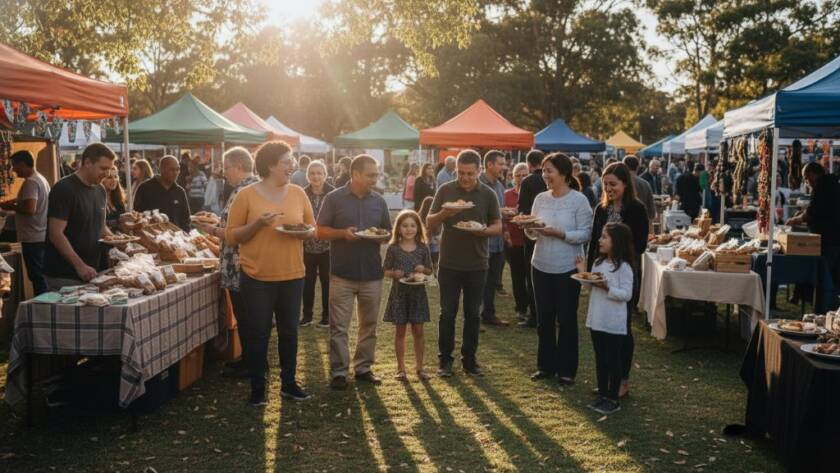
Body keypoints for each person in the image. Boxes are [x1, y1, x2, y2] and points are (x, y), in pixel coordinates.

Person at [225, 141, 316, 405]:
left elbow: (313, 228)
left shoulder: (299, 193)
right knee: (258, 334)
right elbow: (231, 237)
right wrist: (258, 224)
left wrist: (307, 232)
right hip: (256, 278)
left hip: (293, 275)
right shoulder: (246, 195)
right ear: (270, 165)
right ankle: (257, 389)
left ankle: (289, 384)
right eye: (287, 162)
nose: (292, 166)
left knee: (290, 332)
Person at [317, 154, 391, 390]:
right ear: (355, 174)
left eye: (376, 174)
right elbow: (320, 231)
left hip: (372, 273)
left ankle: (363, 368)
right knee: (339, 326)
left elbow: (387, 232)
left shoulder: (379, 201)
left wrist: (382, 235)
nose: (375, 178)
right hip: (342, 273)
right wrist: (342, 234)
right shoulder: (333, 198)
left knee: (368, 325)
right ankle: (339, 372)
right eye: (371, 175)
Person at [427, 149, 502, 377]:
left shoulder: (488, 194)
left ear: (479, 170)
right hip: (449, 264)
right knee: (447, 313)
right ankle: (445, 361)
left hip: (477, 265)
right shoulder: (446, 190)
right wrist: (444, 213)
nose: (465, 178)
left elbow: (498, 226)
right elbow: (429, 222)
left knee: (473, 314)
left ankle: (469, 360)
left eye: (470, 173)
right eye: (461, 173)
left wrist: (484, 232)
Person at [526, 153, 593, 385]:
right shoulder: (540, 199)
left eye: (549, 171)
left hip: (567, 268)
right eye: (543, 171)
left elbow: (586, 233)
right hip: (541, 264)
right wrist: (531, 228)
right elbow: (532, 232)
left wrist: (561, 233)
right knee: (544, 319)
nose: (545, 175)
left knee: (566, 319)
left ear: (563, 174)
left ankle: (566, 370)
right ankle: (545, 366)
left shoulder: (579, 200)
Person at [194, 147, 259, 379]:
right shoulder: (250, 187)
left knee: (247, 315)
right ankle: (250, 359)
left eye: (227, 168)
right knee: (247, 316)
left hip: (239, 263)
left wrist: (210, 229)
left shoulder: (245, 189)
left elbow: (238, 232)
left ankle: (253, 363)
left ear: (239, 167)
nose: (225, 173)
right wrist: (217, 220)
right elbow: (234, 222)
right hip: (240, 262)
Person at [587, 162, 649, 399]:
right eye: (605, 184)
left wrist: (619, 252)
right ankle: (607, 380)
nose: (609, 188)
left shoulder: (636, 209)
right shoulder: (601, 209)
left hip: (626, 270)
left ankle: (622, 379)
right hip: (602, 270)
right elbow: (594, 241)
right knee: (602, 324)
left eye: (613, 184)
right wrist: (591, 271)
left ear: (625, 184)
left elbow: (642, 244)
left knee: (623, 326)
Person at [577, 222, 635, 415]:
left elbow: (626, 294)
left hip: (613, 323)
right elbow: (589, 287)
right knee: (600, 359)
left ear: (617, 242)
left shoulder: (624, 267)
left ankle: (613, 397)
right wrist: (581, 271)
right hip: (597, 320)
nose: (600, 240)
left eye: (604, 237)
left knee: (613, 360)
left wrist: (607, 288)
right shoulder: (598, 263)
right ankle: (602, 394)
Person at [42, 143, 115, 289]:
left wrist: (119, 246)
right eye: (103, 168)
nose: (107, 174)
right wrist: (80, 266)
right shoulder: (64, 189)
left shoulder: (100, 189)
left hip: (93, 273)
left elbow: (100, 227)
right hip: (64, 276)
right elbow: (56, 234)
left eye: (109, 169)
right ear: (87, 162)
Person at [382, 210, 433, 381]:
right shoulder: (393, 248)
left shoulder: (423, 248)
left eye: (412, 225)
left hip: (418, 294)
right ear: (398, 228)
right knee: (400, 332)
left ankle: (420, 368)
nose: (409, 229)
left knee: (418, 331)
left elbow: (430, 270)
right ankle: (401, 369)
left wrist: (422, 270)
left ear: (418, 228)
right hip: (399, 294)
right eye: (405, 226)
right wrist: (394, 273)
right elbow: (385, 270)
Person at [787, 162, 840, 311]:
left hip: (828, 240)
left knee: (824, 276)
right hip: (834, 238)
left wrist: (797, 219)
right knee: (832, 277)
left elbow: (813, 212)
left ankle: (823, 310)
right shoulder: (831, 184)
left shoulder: (821, 186)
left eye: (805, 178)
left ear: (812, 174)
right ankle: (827, 309)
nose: (806, 182)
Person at [2, 150, 49, 295]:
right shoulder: (40, 179)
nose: (13, 170)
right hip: (39, 235)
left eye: (14, 166)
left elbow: (30, 208)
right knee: (39, 275)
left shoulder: (31, 182)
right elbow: (26, 200)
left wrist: (9, 207)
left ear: (22, 164)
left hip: (33, 237)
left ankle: (41, 307)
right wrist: (11, 202)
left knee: (37, 277)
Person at [301, 161, 334, 328]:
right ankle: (307, 316)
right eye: (312, 173)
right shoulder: (302, 193)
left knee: (327, 282)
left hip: (328, 246)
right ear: (308, 175)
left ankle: (327, 316)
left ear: (325, 175)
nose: (316, 176)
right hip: (308, 245)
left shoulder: (333, 193)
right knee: (308, 281)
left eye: (319, 173)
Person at [516, 149, 547, 328]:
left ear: (529, 164)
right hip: (550, 230)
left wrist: (521, 217)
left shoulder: (528, 181)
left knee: (532, 274)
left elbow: (523, 210)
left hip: (531, 234)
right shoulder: (550, 179)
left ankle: (535, 315)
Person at [478, 150, 509, 326]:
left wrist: (505, 227)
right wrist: (500, 212)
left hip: (497, 242)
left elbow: (500, 213)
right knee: (479, 282)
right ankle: (475, 316)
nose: (504, 168)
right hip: (482, 242)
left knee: (492, 281)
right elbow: (475, 213)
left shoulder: (499, 185)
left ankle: (488, 314)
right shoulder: (478, 185)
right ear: (489, 164)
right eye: (500, 164)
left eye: (504, 164)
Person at [134, 155, 191, 231]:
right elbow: (137, 215)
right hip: (152, 237)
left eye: (178, 169)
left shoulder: (180, 191)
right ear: (161, 169)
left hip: (176, 239)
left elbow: (186, 219)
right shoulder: (145, 188)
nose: (175, 173)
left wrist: (185, 236)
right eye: (172, 169)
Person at [504, 163, 529, 321]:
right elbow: (499, 215)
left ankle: (534, 307)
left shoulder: (534, 194)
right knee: (517, 277)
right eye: (518, 175)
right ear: (513, 178)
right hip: (514, 241)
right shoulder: (507, 195)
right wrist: (505, 230)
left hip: (531, 241)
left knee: (531, 278)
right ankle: (520, 308)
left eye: (524, 175)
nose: (521, 178)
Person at [623, 155, 656, 224]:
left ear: (623, 166)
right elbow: (652, 211)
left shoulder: (619, 183)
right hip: (641, 222)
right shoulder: (645, 184)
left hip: (623, 223)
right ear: (637, 167)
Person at [418, 196, 439, 267]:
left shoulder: (419, 217)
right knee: (435, 253)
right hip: (434, 241)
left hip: (424, 241)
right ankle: (435, 265)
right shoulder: (435, 216)